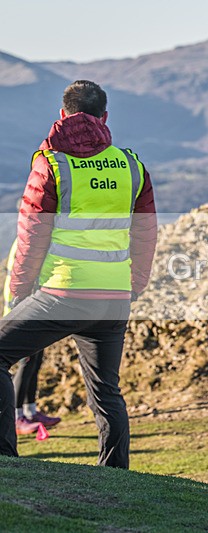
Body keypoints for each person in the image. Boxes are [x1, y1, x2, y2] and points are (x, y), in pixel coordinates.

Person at [0, 80, 158, 468]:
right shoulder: (131, 165)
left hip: (63, 292)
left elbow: (31, 234)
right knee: (106, 392)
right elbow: (146, 232)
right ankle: (116, 475)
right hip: (114, 297)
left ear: (63, 115)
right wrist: (135, 285)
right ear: (105, 117)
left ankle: (6, 461)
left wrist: (19, 290)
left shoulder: (52, 163)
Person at [3, 238, 61, 435]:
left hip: (36, 312)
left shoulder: (33, 240)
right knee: (25, 364)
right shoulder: (24, 242)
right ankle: (17, 416)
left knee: (34, 363)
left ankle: (30, 410)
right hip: (22, 312)